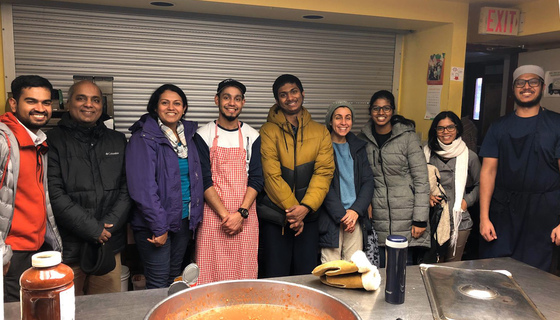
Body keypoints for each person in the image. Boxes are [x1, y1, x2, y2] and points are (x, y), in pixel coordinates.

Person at [48, 80, 131, 295]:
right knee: (66, 309)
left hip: (107, 246)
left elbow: (127, 188)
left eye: (95, 100)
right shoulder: (52, 141)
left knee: (107, 309)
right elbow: (53, 193)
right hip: (68, 248)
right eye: (81, 98)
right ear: (68, 103)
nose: (89, 104)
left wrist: (106, 228)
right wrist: (93, 229)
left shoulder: (118, 140)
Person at [479, 65, 560, 272]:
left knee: (537, 277)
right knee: (496, 272)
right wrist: (484, 217)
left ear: (542, 87)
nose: (526, 87)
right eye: (520, 83)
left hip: (544, 213)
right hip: (503, 211)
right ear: (513, 88)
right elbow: (488, 172)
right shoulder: (498, 126)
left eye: (533, 82)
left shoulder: (556, 124)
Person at [126, 84, 204, 288]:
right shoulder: (143, 138)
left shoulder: (190, 136)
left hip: (183, 220)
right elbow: (142, 189)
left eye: (177, 103)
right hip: (155, 225)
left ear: (184, 108)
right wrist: (159, 227)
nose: (171, 107)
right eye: (165, 102)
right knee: (158, 282)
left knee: (174, 278)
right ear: (155, 107)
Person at [258, 74, 334, 277]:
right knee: (276, 277)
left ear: (302, 94)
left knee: (306, 277)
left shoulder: (321, 132)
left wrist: (305, 208)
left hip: (308, 218)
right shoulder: (267, 131)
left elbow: (324, 173)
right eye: (283, 94)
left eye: (293, 91)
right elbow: (271, 175)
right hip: (276, 218)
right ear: (277, 100)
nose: (289, 98)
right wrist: (294, 214)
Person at [194, 79, 263, 284]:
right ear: (217, 100)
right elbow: (204, 180)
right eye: (226, 97)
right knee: (210, 274)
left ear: (243, 103)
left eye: (237, 98)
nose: (232, 103)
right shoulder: (203, 135)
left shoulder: (252, 135)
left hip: (245, 216)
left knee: (244, 273)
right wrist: (226, 216)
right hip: (213, 217)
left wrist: (240, 214)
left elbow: (257, 179)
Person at [0, 75, 62, 301]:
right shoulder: (3, 140)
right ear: (14, 103)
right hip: (11, 256)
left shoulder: (37, 142)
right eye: (31, 101)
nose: (40, 108)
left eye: (46, 103)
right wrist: (2, 255)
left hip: (35, 251)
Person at [358, 90, 430, 267]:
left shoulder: (408, 138)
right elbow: (360, 178)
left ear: (393, 111)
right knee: (379, 270)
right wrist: (365, 203)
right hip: (378, 215)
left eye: (386, 108)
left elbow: (421, 179)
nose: (381, 113)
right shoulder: (362, 140)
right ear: (370, 111)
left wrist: (420, 219)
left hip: (407, 216)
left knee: (405, 271)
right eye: (376, 108)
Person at [319, 101, 374, 263]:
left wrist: (355, 211)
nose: (343, 122)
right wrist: (342, 215)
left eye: (348, 118)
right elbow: (323, 185)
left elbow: (368, 181)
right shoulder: (322, 145)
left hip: (355, 218)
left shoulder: (357, 146)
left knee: (353, 267)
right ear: (330, 121)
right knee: (331, 268)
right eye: (338, 118)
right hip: (331, 218)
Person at [423, 111, 480, 262]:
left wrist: (466, 202)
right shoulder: (426, 153)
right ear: (435, 130)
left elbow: (481, 184)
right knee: (433, 265)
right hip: (433, 219)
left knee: (452, 268)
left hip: (459, 220)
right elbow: (417, 181)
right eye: (440, 128)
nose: (445, 132)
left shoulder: (469, 155)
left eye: (450, 127)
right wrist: (427, 195)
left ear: (457, 129)